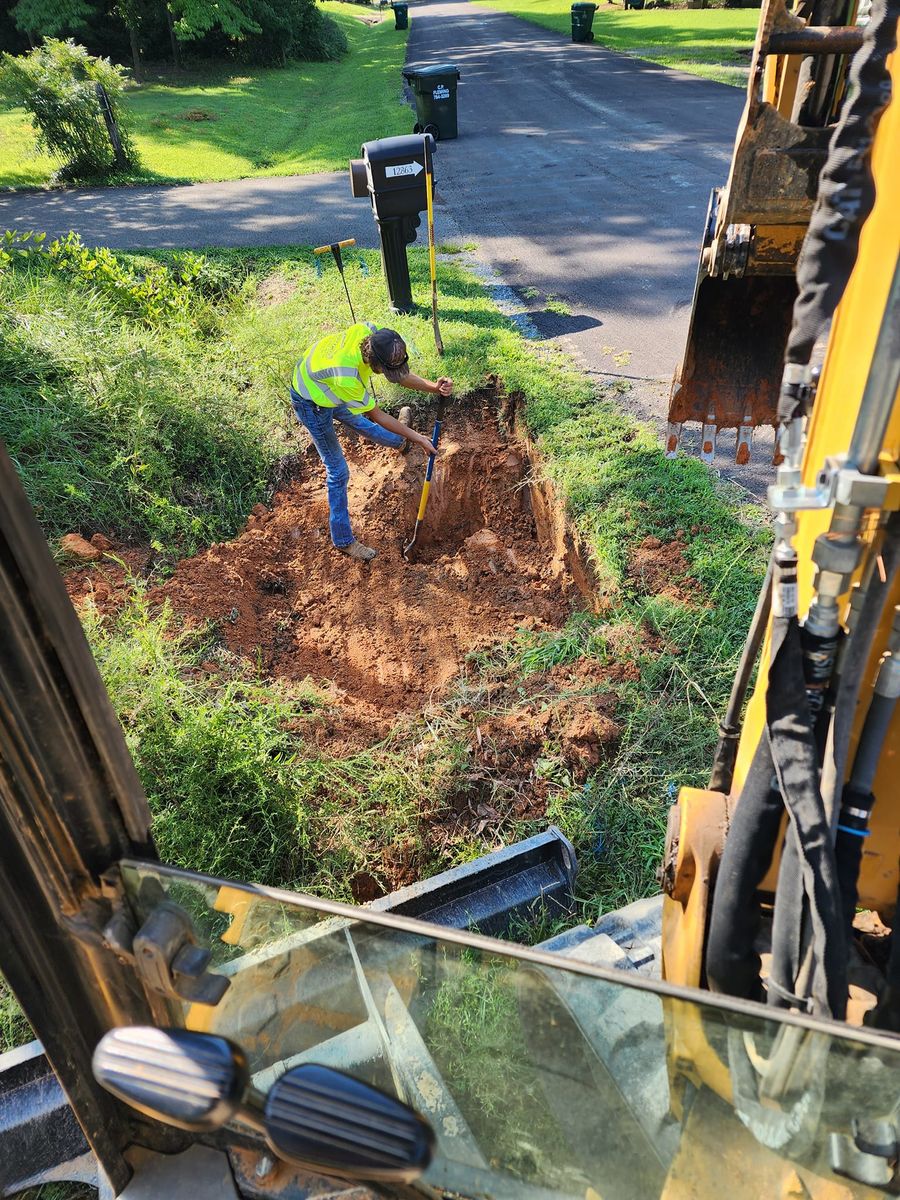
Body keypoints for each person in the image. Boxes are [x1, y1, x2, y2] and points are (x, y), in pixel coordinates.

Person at [290, 322, 453, 561]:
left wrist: (433, 387)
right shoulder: (347, 378)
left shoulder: (370, 333)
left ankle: (400, 442)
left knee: (360, 422)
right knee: (338, 471)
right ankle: (343, 540)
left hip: (327, 386)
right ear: (375, 362)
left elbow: (401, 376)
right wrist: (418, 438)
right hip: (311, 401)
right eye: (386, 371)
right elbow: (377, 415)